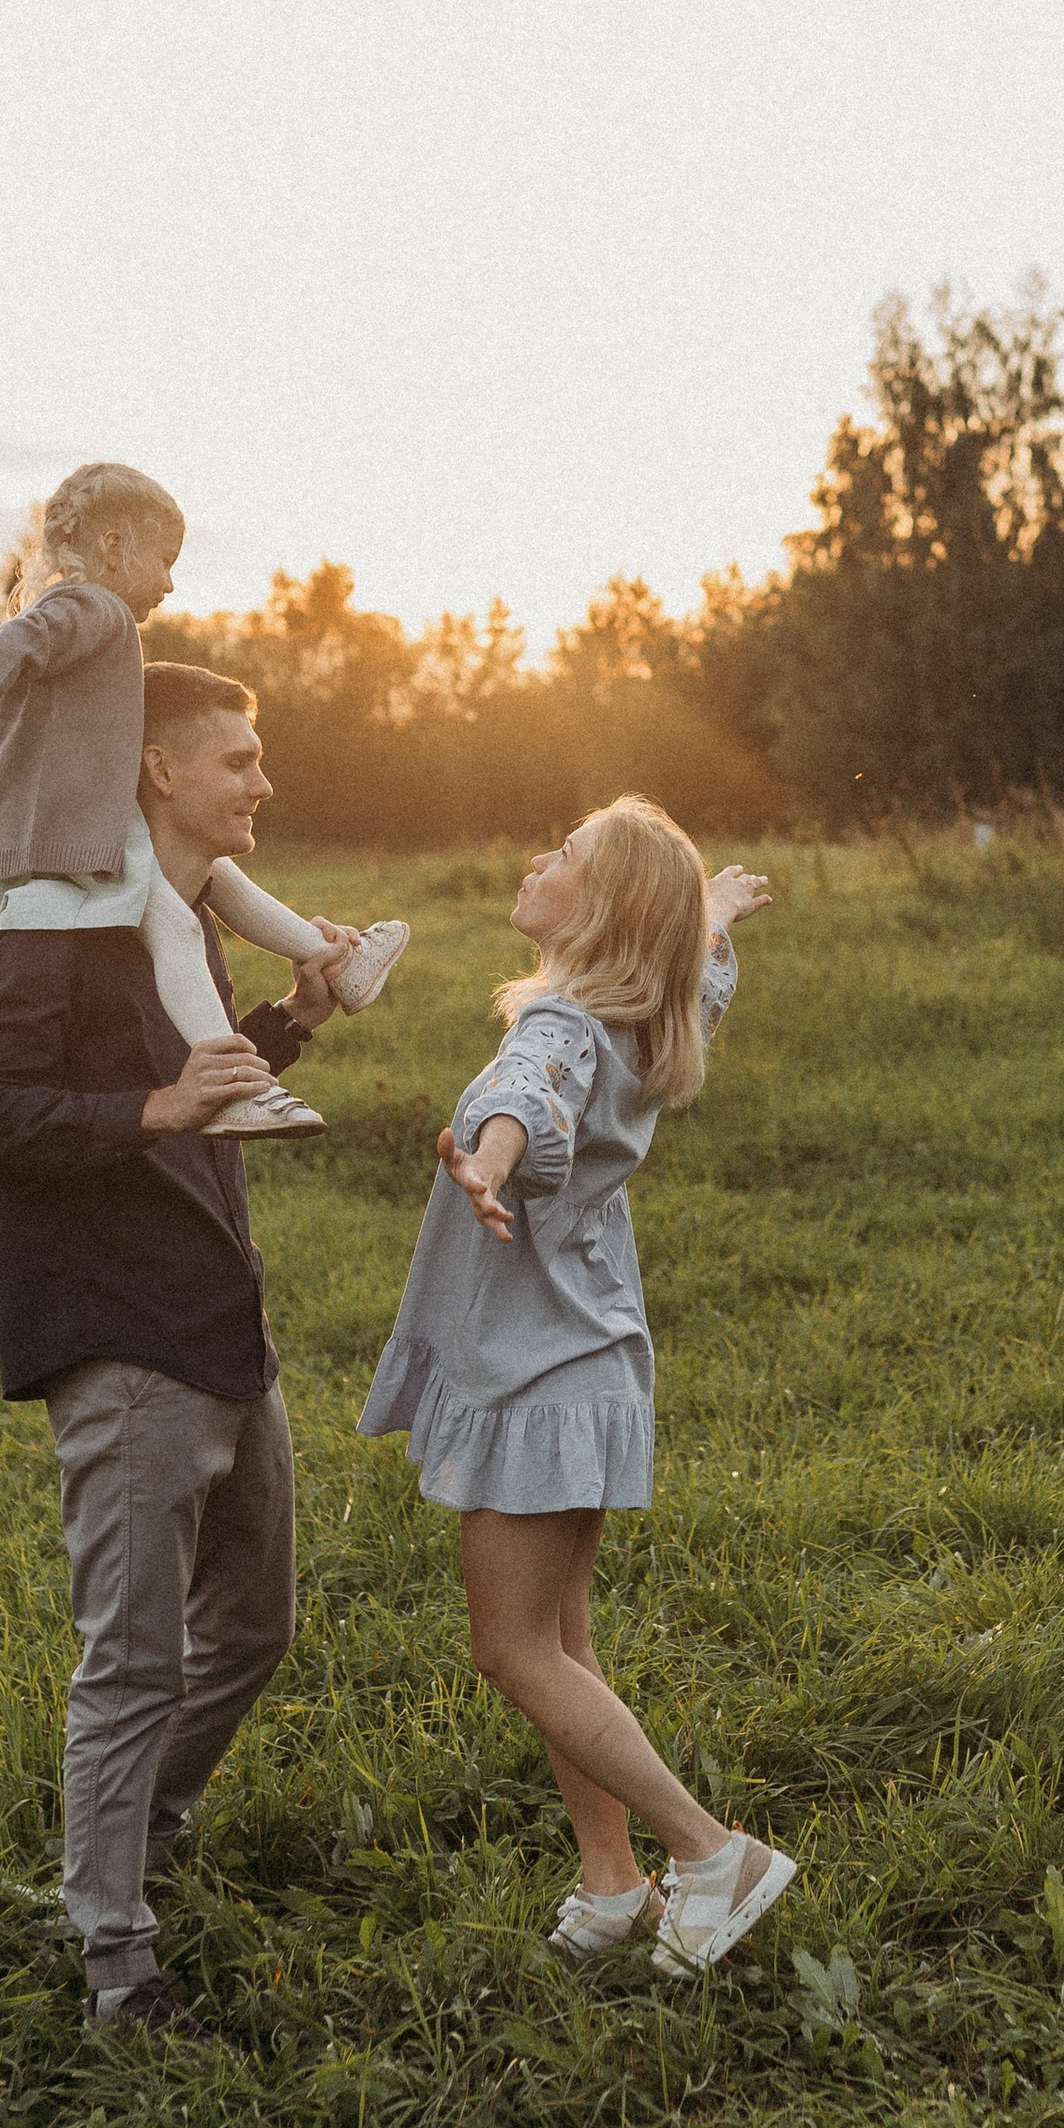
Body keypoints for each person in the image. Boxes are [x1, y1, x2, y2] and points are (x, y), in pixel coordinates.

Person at [0, 662, 343, 2039]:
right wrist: (159, 1107)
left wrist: (290, 1023)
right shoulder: (53, 926)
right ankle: (117, 1964)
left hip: (222, 1320)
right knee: (133, 1662)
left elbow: (200, 1090)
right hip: (120, 1334)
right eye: (239, 757)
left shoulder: (189, 915)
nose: (262, 780)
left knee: (255, 1627)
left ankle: (135, 1839)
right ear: (158, 769)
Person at [358, 794, 792, 1977]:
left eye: (565, 856)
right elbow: (697, 974)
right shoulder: (650, 1022)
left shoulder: (560, 1025)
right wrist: (709, 911)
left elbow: (526, 1092)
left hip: (539, 1374)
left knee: (513, 1650)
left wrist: (488, 1159)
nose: (535, 860)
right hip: (589, 1361)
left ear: (598, 913)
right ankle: (611, 1887)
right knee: (560, 1639)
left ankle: (712, 1854)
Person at [0, 458, 408, 1138]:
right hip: (76, 839)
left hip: (85, 833)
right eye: (165, 559)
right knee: (175, 926)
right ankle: (242, 1078)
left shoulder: (76, 645)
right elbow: (3, 651)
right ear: (114, 546)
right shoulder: (94, 608)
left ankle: (336, 964)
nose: (170, 582)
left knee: (216, 879)